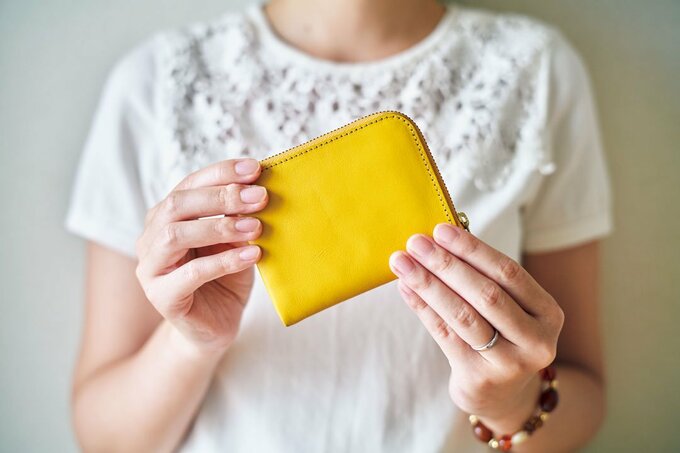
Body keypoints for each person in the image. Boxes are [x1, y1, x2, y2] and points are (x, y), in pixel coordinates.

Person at [66, 0, 613, 451]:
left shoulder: (535, 68)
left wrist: (508, 402)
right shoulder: (156, 81)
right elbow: (106, 439)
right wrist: (191, 341)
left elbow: (584, 396)